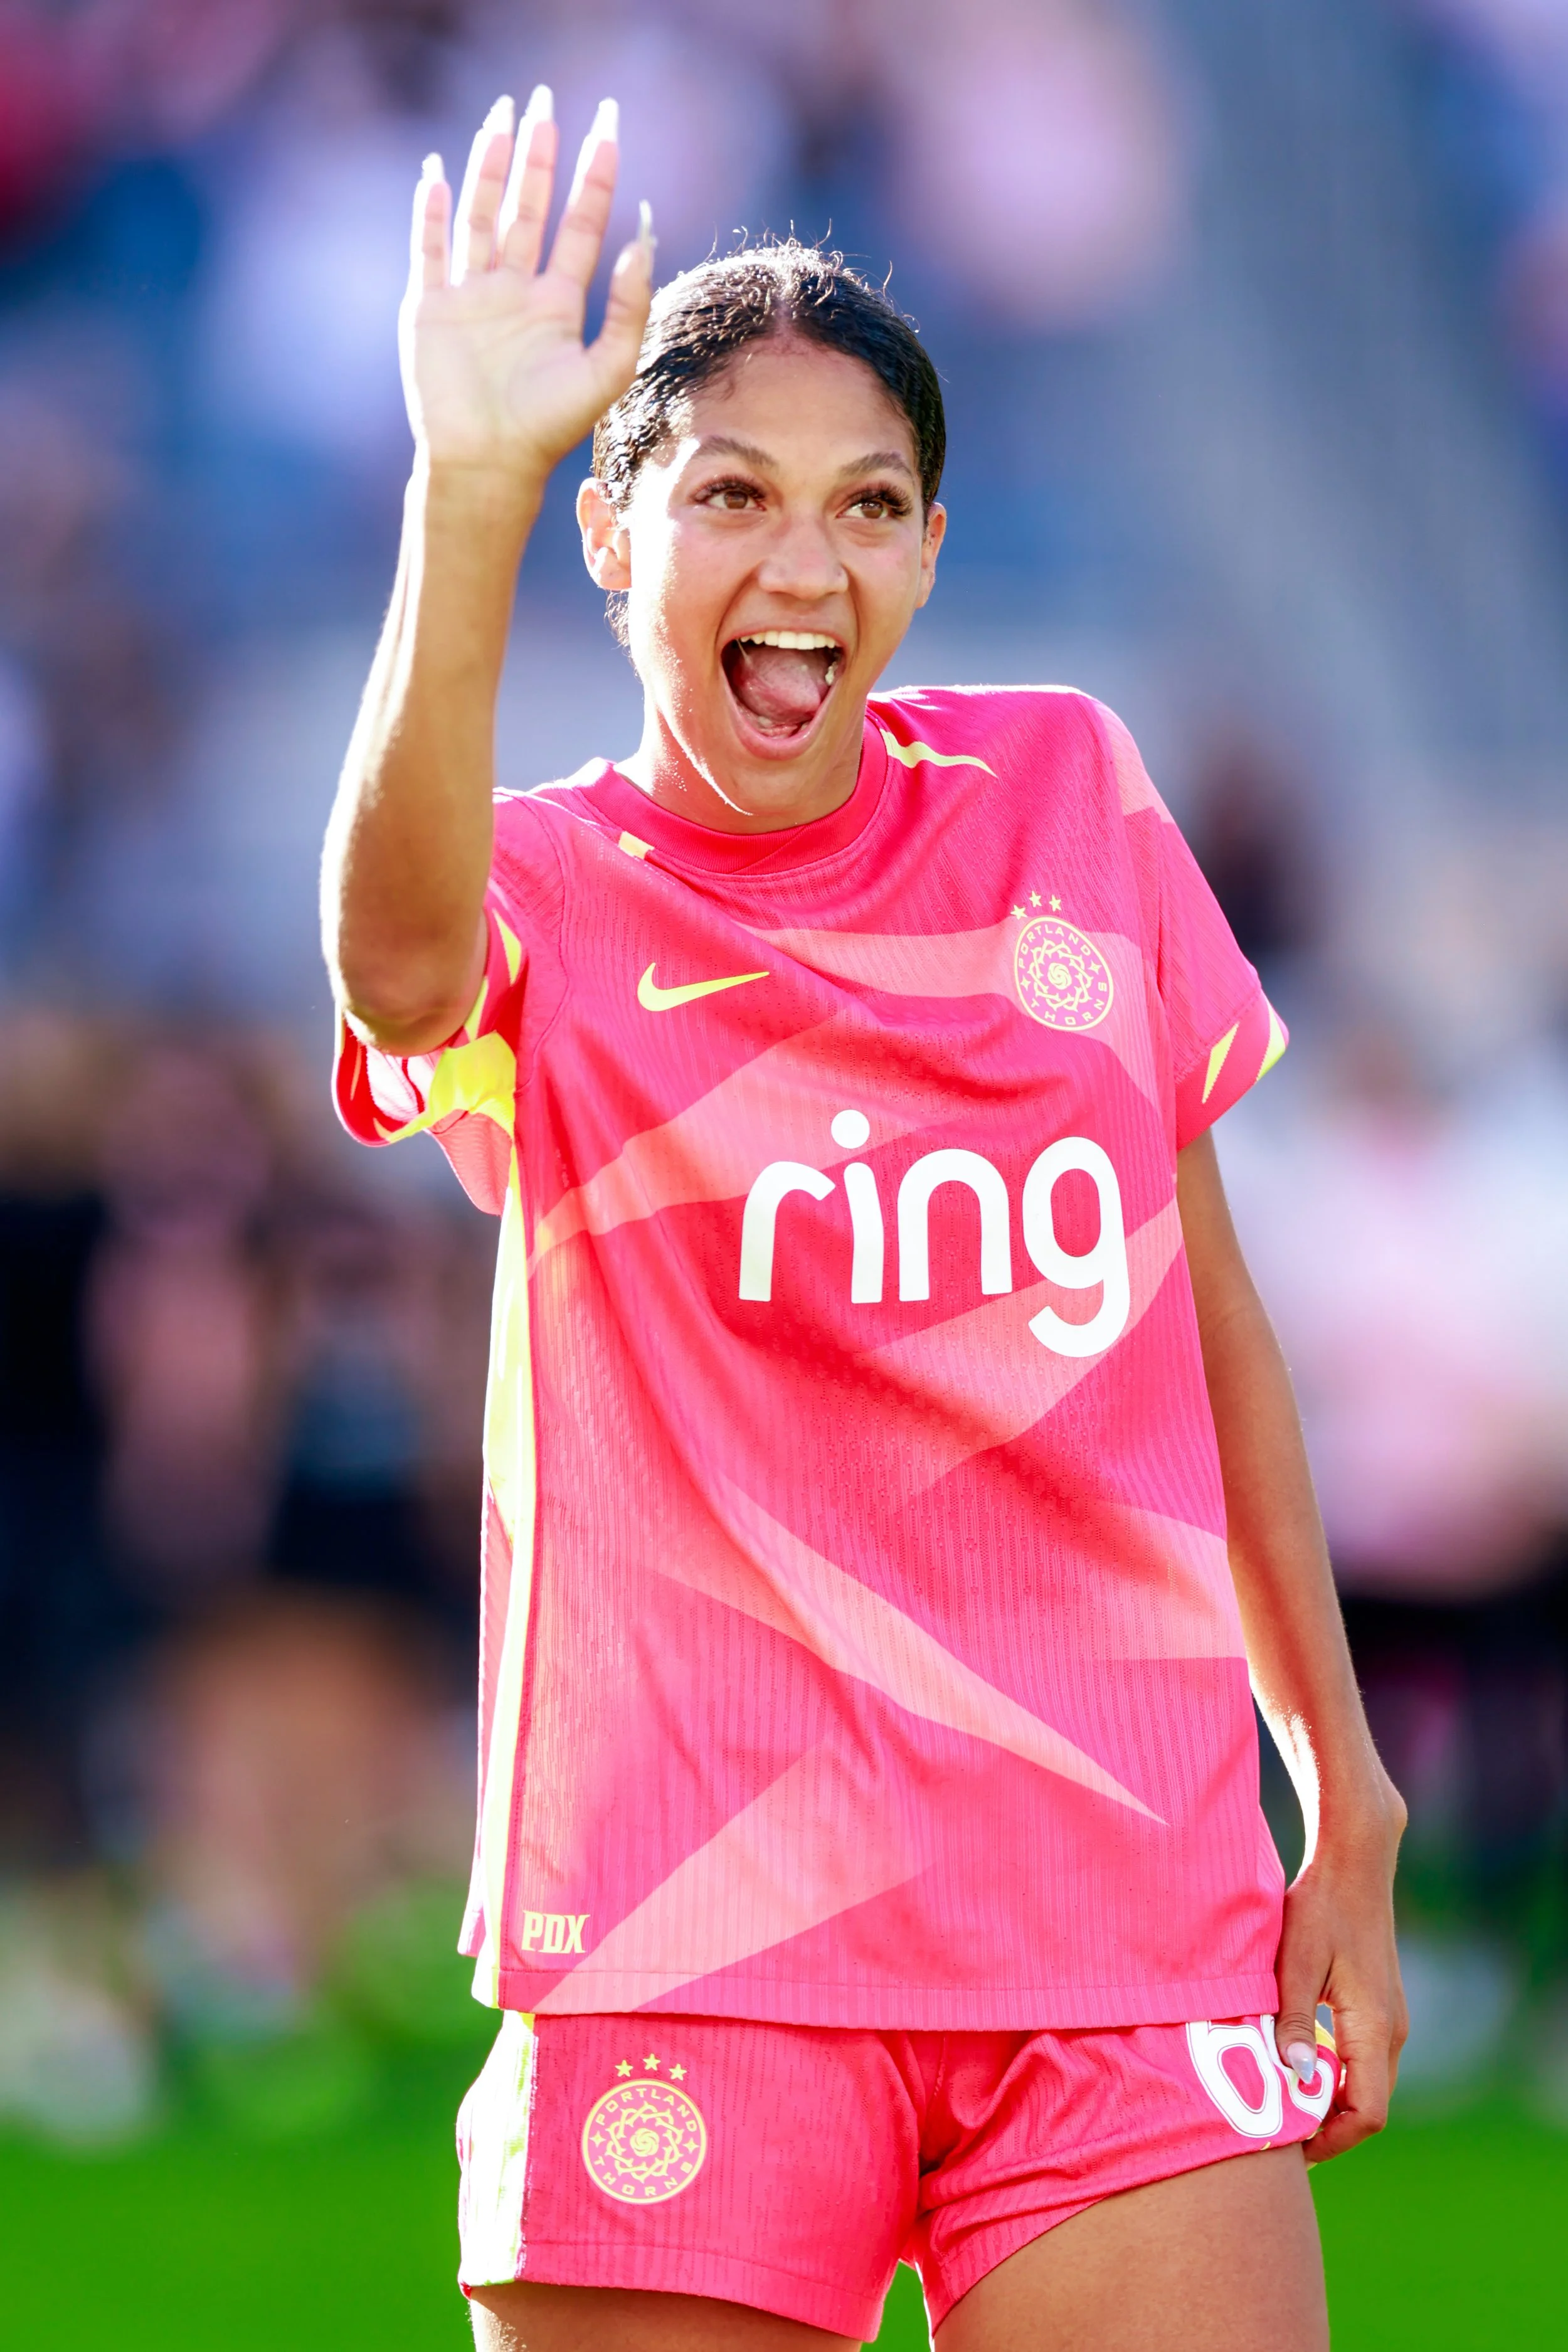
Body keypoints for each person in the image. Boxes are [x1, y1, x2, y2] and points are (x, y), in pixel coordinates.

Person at [321, 86, 1407, 2352]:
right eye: (728, 494)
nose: (801, 566)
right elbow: (396, 972)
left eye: (866, 506)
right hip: (689, 1933)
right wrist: (462, 492)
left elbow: (1204, 1321)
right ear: (614, 535)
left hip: (1118, 1917)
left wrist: (1344, 1788)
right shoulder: (550, 890)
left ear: (923, 552)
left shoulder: (1072, 798)